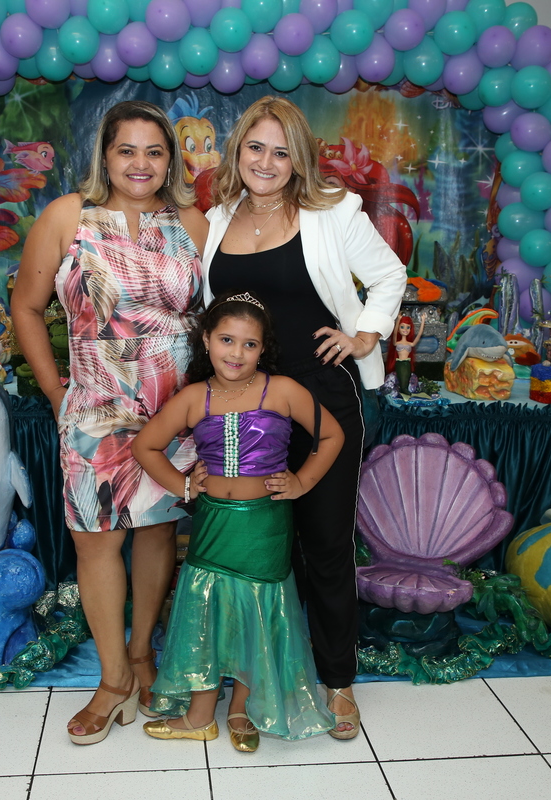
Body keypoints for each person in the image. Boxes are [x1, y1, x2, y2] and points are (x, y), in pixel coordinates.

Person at [201, 96, 407, 738]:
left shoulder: (333, 211)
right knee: (259, 545)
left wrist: (365, 335)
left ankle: (337, 680)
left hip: (321, 399)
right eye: (255, 148)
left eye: (281, 152)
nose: (266, 162)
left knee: (325, 543)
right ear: (238, 151)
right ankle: (259, 676)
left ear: (300, 161)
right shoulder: (216, 218)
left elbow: (389, 275)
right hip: (246, 404)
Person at [13, 100, 208, 745]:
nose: (140, 164)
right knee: (94, 540)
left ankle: (144, 654)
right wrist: (53, 389)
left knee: (157, 532)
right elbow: (26, 307)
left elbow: (218, 318)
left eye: (154, 151)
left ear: (170, 160)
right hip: (95, 405)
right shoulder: (66, 216)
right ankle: (113, 677)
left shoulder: (194, 224)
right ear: (105, 155)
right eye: (127, 150)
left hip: (173, 410)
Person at [131, 292, 343, 751]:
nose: (237, 353)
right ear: (207, 340)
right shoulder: (194, 397)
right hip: (213, 523)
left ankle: (242, 710)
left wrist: (302, 481)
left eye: (250, 344)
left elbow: (332, 435)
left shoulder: (282, 390)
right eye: (227, 340)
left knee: (255, 611)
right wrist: (183, 486)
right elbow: (145, 446)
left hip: (265, 525)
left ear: (263, 349)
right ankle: (199, 716)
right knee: (207, 609)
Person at [386, 314, 424, 392]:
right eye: (402, 327)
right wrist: (398, 320)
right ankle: (402, 390)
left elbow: (419, 334)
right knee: (401, 378)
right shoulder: (396, 342)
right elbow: (395, 333)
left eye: (408, 327)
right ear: (399, 329)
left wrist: (423, 321)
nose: (405, 329)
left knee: (406, 378)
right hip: (399, 363)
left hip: (407, 363)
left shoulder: (410, 344)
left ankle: (404, 390)